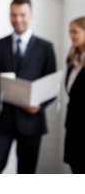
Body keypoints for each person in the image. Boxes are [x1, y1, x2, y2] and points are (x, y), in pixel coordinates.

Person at [0, 0, 57, 174]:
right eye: (13, 15)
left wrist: (39, 105)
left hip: (31, 122)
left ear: (31, 16)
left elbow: (52, 87)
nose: (17, 19)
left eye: (22, 15)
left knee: (26, 174)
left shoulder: (46, 48)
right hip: (1, 121)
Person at [64, 16, 85, 174]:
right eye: (70, 31)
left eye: (75, 32)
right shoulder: (72, 59)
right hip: (73, 126)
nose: (71, 35)